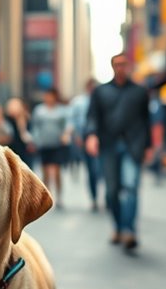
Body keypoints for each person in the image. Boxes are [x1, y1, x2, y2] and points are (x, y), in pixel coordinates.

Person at [85, 53, 151, 252]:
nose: (121, 67)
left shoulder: (140, 92)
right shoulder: (100, 92)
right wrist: (91, 135)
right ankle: (117, 226)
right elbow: (92, 117)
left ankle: (129, 230)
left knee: (131, 187)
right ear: (113, 66)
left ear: (129, 66)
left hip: (133, 146)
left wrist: (148, 147)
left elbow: (146, 121)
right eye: (117, 64)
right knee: (112, 191)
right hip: (109, 146)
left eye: (124, 64)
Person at [32, 88, 73, 208]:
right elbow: (35, 126)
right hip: (44, 144)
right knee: (44, 172)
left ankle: (59, 196)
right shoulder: (39, 110)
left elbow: (68, 124)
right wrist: (35, 140)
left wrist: (66, 134)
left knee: (56, 170)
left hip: (57, 145)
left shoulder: (62, 111)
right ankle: (46, 197)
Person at [71, 79, 101, 211]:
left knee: (101, 169)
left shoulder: (102, 101)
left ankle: (106, 195)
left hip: (102, 139)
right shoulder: (78, 102)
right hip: (84, 138)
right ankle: (94, 197)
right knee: (92, 170)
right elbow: (72, 119)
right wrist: (76, 136)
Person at [5, 97, 37, 168]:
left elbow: (29, 135)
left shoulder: (26, 119)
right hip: (12, 149)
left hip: (25, 150)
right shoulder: (7, 121)